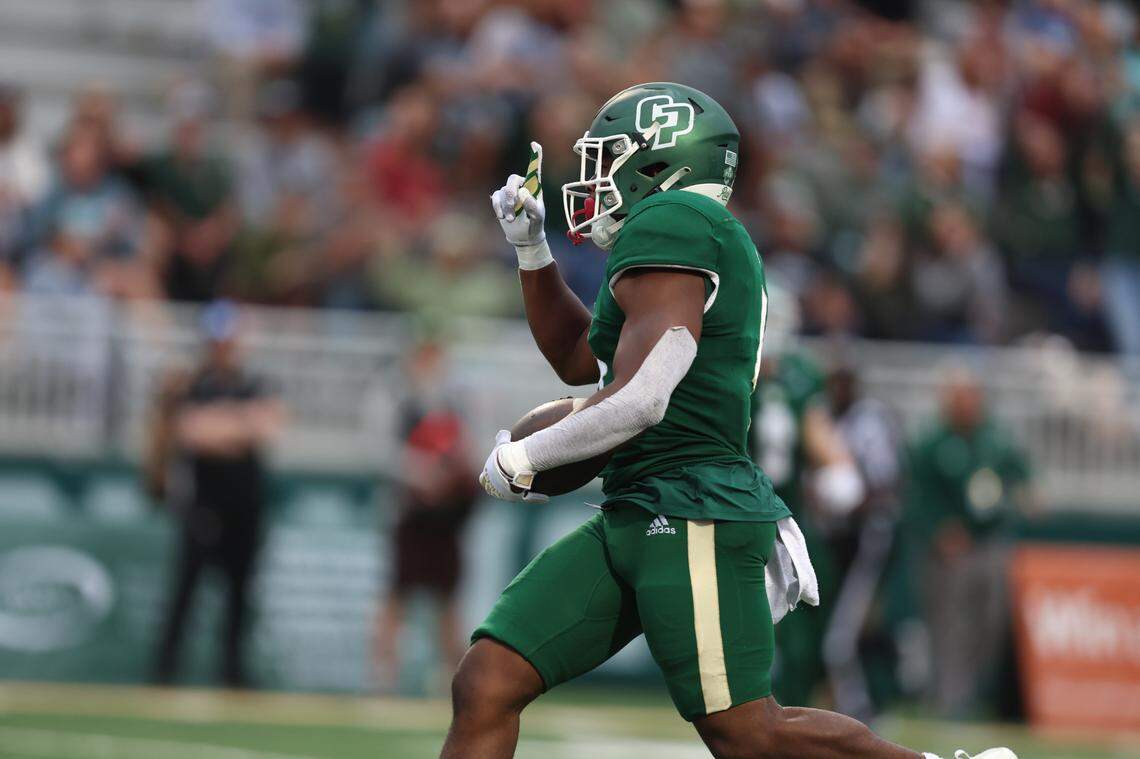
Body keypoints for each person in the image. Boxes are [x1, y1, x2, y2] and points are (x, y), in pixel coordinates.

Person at [443, 82, 1014, 759]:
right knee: (489, 678)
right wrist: (533, 251)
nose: (594, 176)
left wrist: (529, 456)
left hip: (692, 505)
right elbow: (579, 359)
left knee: (747, 734)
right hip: (639, 500)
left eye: (609, 157)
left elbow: (644, 396)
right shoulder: (669, 240)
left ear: (662, 163)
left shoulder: (676, 221)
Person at [153, 301, 284, 687]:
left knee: (240, 594)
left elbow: (268, 427)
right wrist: (238, 424)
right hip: (204, 505)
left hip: (245, 503)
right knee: (186, 590)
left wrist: (222, 426)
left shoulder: (255, 382)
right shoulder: (192, 384)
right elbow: (190, 432)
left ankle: (233, 672)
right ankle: (165, 669)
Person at [907, 368, 1033, 718]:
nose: (967, 405)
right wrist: (939, 530)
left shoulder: (993, 438)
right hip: (950, 549)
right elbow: (916, 495)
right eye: (960, 398)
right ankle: (949, 700)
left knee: (991, 620)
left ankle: (976, 695)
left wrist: (1028, 490)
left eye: (972, 397)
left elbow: (1019, 470)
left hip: (989, 542)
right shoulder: (932, 442)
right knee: (950, 623)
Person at [375, 337, 478, 692]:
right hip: (411, 510)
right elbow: (384, 452)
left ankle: (454, 677)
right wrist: (423, 474)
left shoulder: (455, 402)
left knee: (447, 599)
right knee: (396, 594)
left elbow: (470, 449)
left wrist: (452, 476)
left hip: (446, 514)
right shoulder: (398, 399)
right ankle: (382, 677)